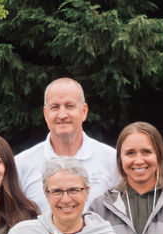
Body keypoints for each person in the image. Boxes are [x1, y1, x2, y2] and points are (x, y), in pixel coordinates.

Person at [14, 77, 121, 213]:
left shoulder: (112, 160)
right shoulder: (21, 165)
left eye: (70, 106)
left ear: (84, 111)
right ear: (46, 114)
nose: (62, 114)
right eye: (55, 107)